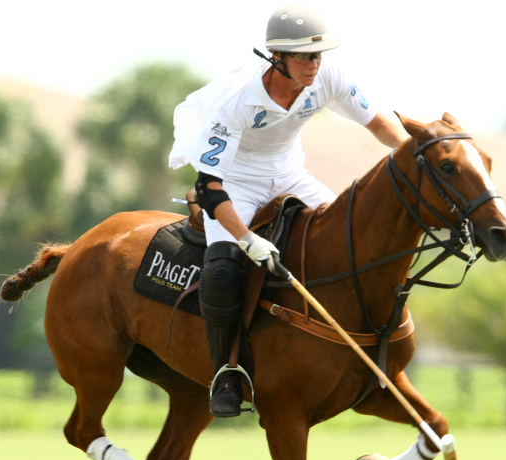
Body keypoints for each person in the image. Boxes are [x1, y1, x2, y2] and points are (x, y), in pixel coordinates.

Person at [169, 3, 404, 418]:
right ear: (276, 57)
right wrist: (247, 239)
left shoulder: (327, 77)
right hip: (235, 183)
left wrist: (411, 152)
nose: (314, 64)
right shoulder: (238, 100)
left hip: (290, 174)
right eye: (303, 56)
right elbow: (209, 188)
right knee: (224, 271)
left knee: (347, 241)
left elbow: (377, 122)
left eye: (318, 55)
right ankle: (227, 371)